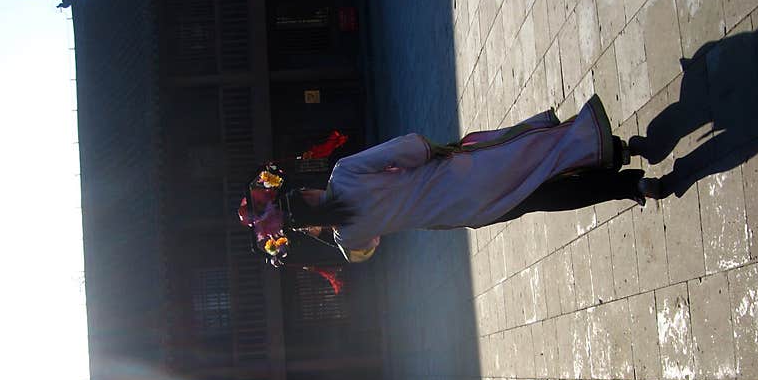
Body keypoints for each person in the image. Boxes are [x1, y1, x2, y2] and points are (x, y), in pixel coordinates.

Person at [240, 94, 662, 265]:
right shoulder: (344, 174)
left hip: (467, 209)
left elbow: (365, 252)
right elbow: (406, 148)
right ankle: (619, 150)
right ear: (310, 192)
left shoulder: (348, 237)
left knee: (543, 196)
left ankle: (631, 186)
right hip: (459, 171)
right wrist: (434, 150)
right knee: (538, 154)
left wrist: (318, 229)